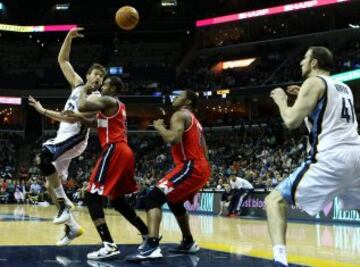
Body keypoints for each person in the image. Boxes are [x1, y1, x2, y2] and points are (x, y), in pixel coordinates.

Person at [266, 46, 360, 267]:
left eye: (304, 58)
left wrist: (281, 101)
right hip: (356, 154)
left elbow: (291, 122)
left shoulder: (314, 82)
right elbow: (323, 118)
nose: (300, 62)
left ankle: (279, 261)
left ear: (315, 63)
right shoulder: (344, 87)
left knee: (273, 201)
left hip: (333, 157)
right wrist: (303, 98)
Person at [28, 27, 106, 246]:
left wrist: (43, 111)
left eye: (101, 77)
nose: (98, 78)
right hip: (64, 138)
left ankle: (63, 204)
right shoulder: (78, 84)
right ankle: (72, 227)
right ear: (88, 75)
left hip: (75, 139)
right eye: (96, 74)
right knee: (48, 185)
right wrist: (69, 37)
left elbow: (72, 119)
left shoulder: (96, 98)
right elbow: (63, 60)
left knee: (43, 157)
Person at [65, 76, 148, 260]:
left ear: (114, 89)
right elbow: (96, 124)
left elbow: (82, 105)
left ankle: (109, 245)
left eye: (106, 84)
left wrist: (83, 90)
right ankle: (147, 234)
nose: (102, 86)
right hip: (124, 151)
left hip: (114, 148)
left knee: (90, 195)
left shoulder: (109, 100)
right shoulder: (114, 107)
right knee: (117, 201)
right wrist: (79, 118)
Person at [128, 90, 211, 262]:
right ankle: (188, 242)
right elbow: (206, 150)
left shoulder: (179, 114)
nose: (174, 97)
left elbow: (173, 139)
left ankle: (152, 245)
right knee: (175, 201)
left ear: (187, 101)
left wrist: (159, 127)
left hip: (191, 165)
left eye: (178, 95)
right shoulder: (196, 121)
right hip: (201, 166)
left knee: (153, 198)